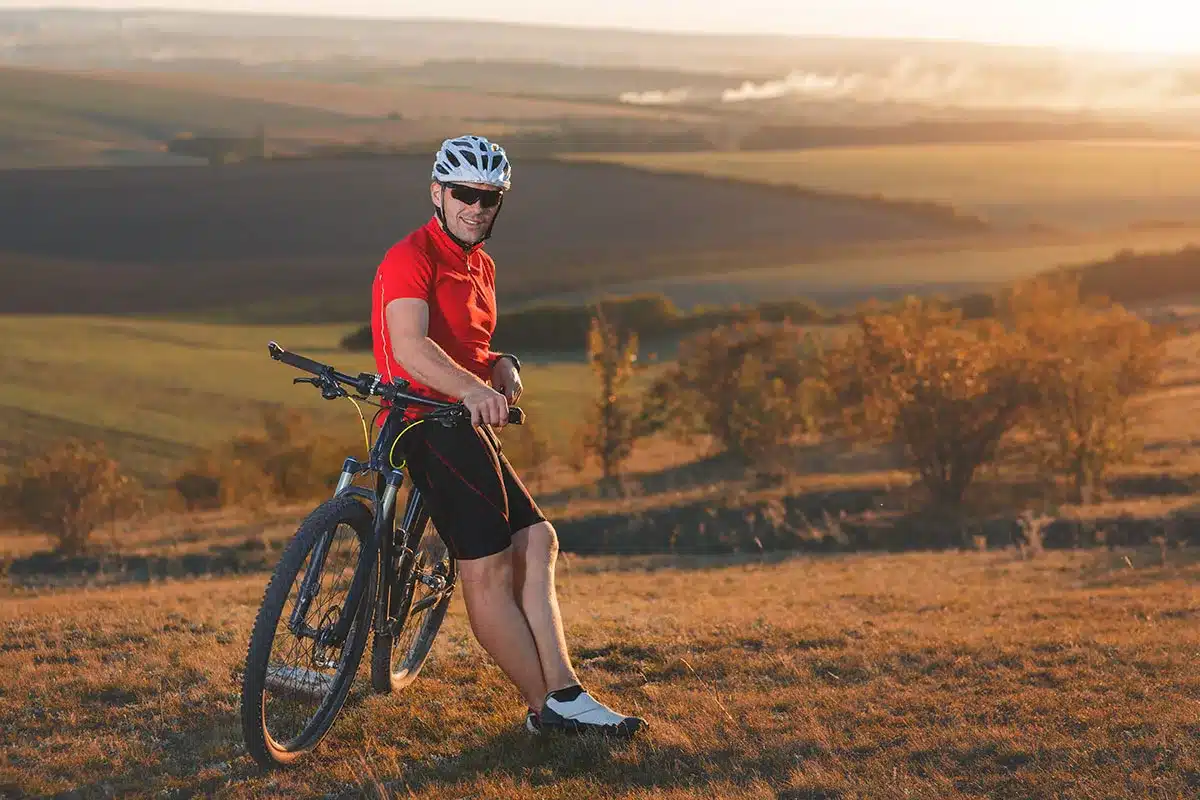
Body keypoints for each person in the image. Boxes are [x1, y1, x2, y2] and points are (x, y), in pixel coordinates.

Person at [369, 135, 646, 737]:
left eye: (489, 197)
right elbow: (411, 347)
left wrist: (498, 363)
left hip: (463, 421)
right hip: (426, 423)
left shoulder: (481, 265)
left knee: (538, 540)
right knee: (489, 571)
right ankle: (548, 708)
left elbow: (466, 342)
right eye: (464, 193)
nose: (476, 207)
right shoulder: (410, 256)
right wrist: (472, 390)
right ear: (438, 193)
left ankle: (564, 694)